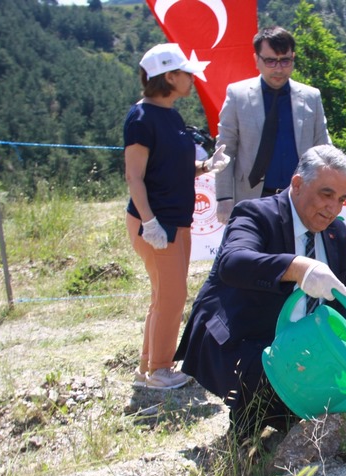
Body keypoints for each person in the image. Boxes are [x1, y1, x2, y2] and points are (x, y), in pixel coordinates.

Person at [174, 145, 346, 440]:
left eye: (341, 199)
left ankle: (284, 421)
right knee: (269, 379)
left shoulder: (336, 233)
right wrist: (298, 267)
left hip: (302, 342)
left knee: (320, 409)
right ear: (297, 184)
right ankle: (243, 439)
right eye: (326, 194)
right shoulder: (256, 214)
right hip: (242, 335)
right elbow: (232, 263)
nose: (333, 208)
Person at [124, 43, 229, 390]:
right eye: (185, 73)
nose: (191, 78)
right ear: (168, 77)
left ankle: (147, 368)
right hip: (157, 221)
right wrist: (149, 221)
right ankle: (160, 369)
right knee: (171, 295)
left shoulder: (170, 114)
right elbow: (134, 176)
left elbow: (171, 167)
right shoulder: (141, 118)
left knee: (163, 295)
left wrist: (206, 166)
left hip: (174, 220)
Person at [214, 26, 331, 224]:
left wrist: (328, 192)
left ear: (293, 58)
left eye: (285, 60)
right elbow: (225, 150)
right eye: (270, 61)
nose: (278, 69)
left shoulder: (311, 97)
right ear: (256, 60)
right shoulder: (237, 95)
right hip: (252, 200)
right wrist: (224, 198)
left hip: (301, 200)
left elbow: (324, 149)